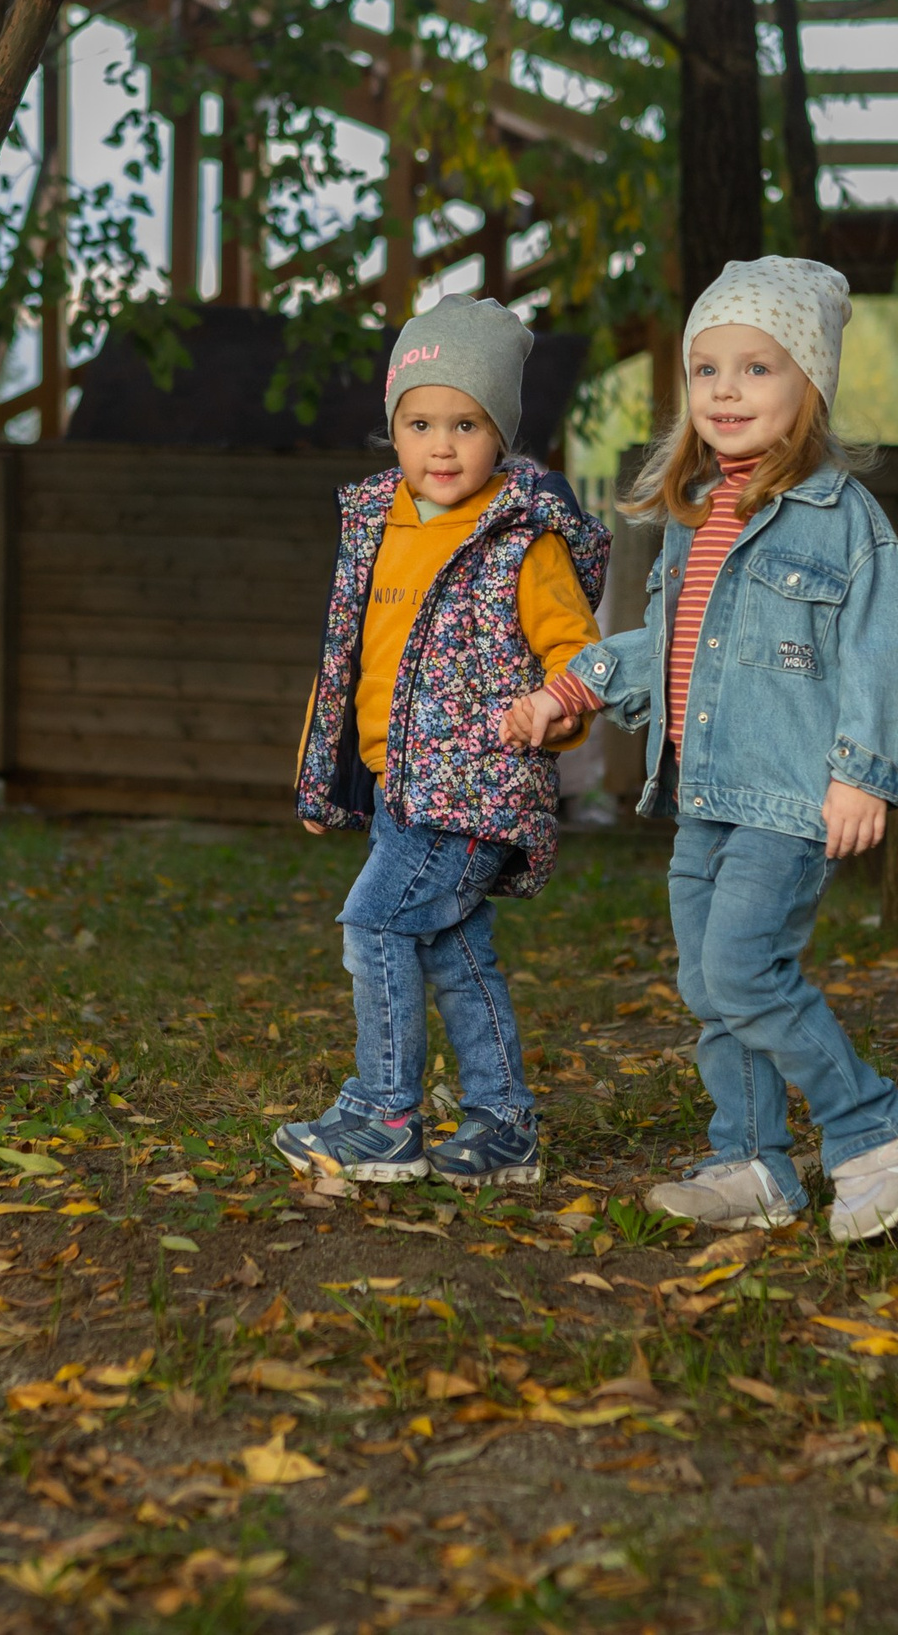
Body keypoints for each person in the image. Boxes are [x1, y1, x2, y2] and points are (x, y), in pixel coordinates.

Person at [504, 256, 898, 1240]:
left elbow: (875, 652)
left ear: (809, 385)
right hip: (700, 793)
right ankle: (750, 1164)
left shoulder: (842, 523)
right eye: (707, 371)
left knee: (744, 970)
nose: (726, 392)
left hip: (787, 798)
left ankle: (873, 1127)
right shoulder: (696, 519)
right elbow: (666, 648)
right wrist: (572, 685)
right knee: (707, 986)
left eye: (757, 369)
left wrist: (859, 775)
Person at [277, 294, 609, 1187]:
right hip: (399, 788)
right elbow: (342, 655)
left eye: (467, 423)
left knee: (375, 922)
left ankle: (386, 1115)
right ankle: (504, 1126)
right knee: (456, 949)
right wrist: (318, 775)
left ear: (501, 432)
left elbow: (580, 650)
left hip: (475, 789)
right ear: (394, 427)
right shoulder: (379, 524)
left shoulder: (518, 539)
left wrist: (554, 705)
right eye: (420, 422)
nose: (443, 445)